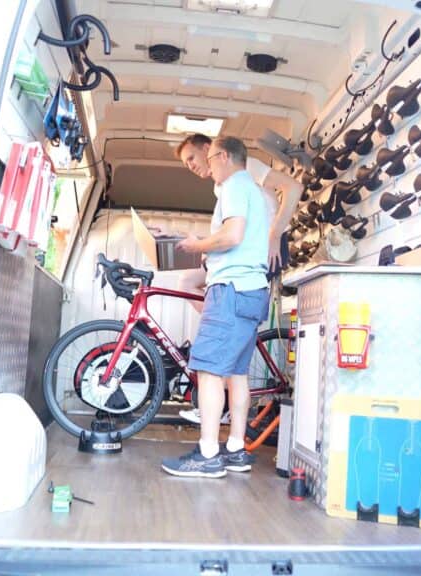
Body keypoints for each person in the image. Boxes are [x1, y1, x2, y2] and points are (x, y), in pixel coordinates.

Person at [160, 136, 272, 478]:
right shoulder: (251, 190)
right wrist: (198, 242)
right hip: (252, 291)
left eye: (209, 158)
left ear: (223, 156)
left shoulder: (234, 186)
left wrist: (198, 246)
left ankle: (208, 454)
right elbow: (231, 239)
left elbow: (232, 235)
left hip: (231, 290)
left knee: (209, 371)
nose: (206, 166)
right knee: (236, 374)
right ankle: (236, 450)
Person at [173, 132, 302, 425]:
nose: (191, 166)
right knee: (187, 282)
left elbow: (293, 187)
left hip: (258, 250)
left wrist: (276, 233)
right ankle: (223, 391)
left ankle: (218, 389)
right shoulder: (224, 187)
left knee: (195, 293)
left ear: (211, 150)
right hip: (245, 254)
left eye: (192, 158)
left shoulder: (244, 172)